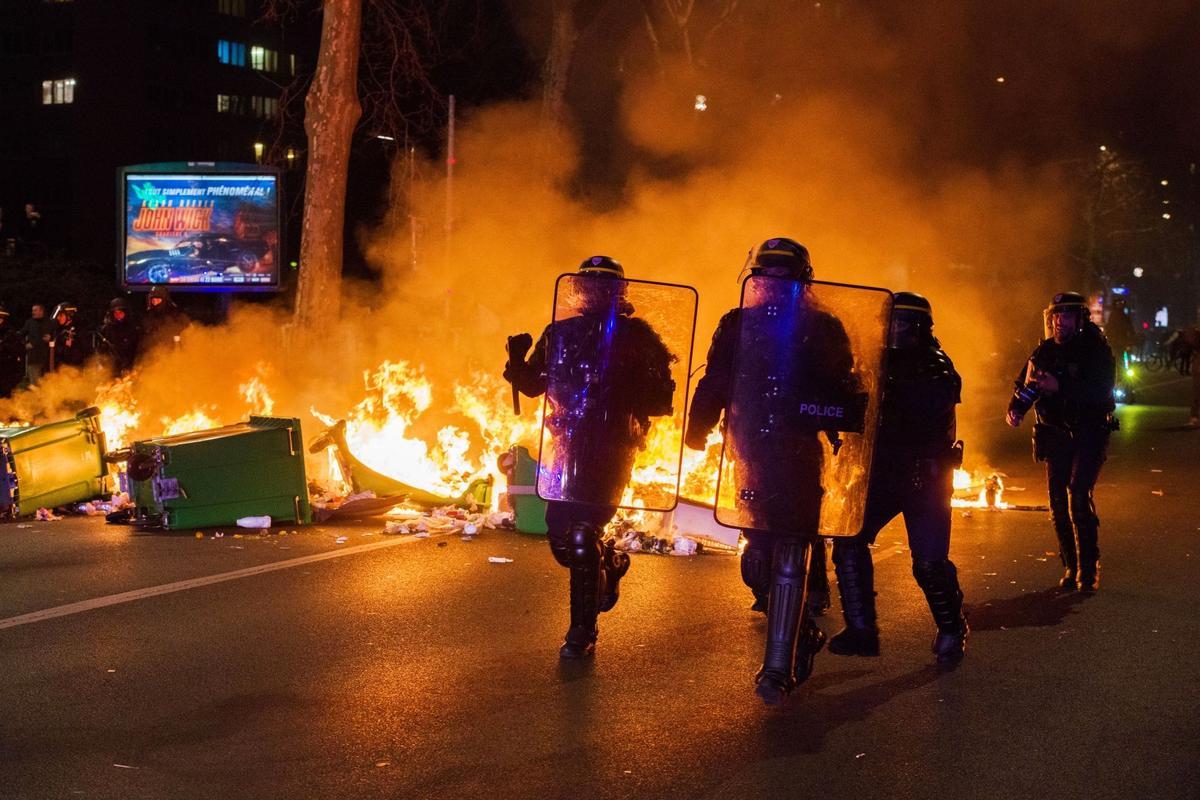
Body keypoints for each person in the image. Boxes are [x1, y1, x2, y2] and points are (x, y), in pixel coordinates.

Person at [685, 237, 865, 705]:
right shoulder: (736, 323)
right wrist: (698, 425)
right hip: (748, 449)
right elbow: (716, 379)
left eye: (782, 275)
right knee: (757, 560)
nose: (772, 283)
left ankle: (778, 668)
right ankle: (803, 632)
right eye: (766, 274)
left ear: (801, 280)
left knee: (790, 550)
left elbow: (844, 385)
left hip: (800, 450)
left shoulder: (823, 327)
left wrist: (839, 408)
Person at [504, 256, 677, 659]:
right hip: (566, 444)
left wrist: (625, 390)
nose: (595, 292)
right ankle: (611, 563)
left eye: (605, 286)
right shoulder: (560, 333)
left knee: (582, 534)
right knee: (562, 541)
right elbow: (533, 386)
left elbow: (660, 400)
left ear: (619, 293)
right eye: (589, 285)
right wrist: (517, 361)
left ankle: (581, 632)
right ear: (578, 289)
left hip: (612, 446)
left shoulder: (639, 338)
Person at [828, 292, 968, 665]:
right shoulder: (874, 362)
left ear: (919, 327)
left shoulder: (935, 367)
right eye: (889, 322)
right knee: (848, 540)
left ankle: (952, 627)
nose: (893, 330)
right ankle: (862, 630)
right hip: (883, 475)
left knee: (928, 565)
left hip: (925, 480)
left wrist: (877, 392)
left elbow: (918, 408)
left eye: (901, 323)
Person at [1008, 292, 1116, 591]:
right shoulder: (1044, 351)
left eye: (1066, 316)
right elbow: (1027, 384)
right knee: (1057, 504)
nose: (1059, 322)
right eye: (1055, 316)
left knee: (1078, 496)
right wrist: (1016, 408)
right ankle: (1070, 566)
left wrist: (1062, 386)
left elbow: (1101, 390)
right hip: (1054, 434)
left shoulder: (1096, 350)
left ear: (1080, 319)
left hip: (1089, 433)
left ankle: (1088, 567)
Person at [96, 297, 142, 375]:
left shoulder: (134, 328)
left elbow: (138, 349)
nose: (118, 315)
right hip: (112, 369)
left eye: (120, 313)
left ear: (126, 313)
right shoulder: (108, 329)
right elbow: (102, 350)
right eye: (115, 313)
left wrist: (135, 365)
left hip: (130, 367)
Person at [142, 285, 188, 351]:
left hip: (171, 352)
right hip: (153, 353)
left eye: (158, 300)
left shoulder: (176, 315)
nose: (155, 303)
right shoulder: (148, 316)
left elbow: (186, 336)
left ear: (165, 300)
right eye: (153, 300)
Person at [19, 303, 54, 385]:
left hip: (46, 359)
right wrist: (25, 344)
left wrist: (50, 337)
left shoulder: (49, 322)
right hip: (33, 358)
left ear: (41, 311)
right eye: (32, 310)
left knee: (46, 384)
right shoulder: (29, 322)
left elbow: (55, 335)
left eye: (35, 310)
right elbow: (20, 335)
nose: (33, 312)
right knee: (35, 384)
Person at [50, 301, 91, 369]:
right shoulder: (58, 331)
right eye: (57, 315)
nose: (58, 318)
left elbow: (86, 352)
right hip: (61, 369)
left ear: (69, 315)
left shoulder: (79, 331)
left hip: (75, 370)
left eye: (61, 315)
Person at [0, 305, 27, 396]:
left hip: (7, 371)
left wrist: (4, 346)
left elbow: (20, 350)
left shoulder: (11, 334)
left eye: (0, 318)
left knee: (6, 394)